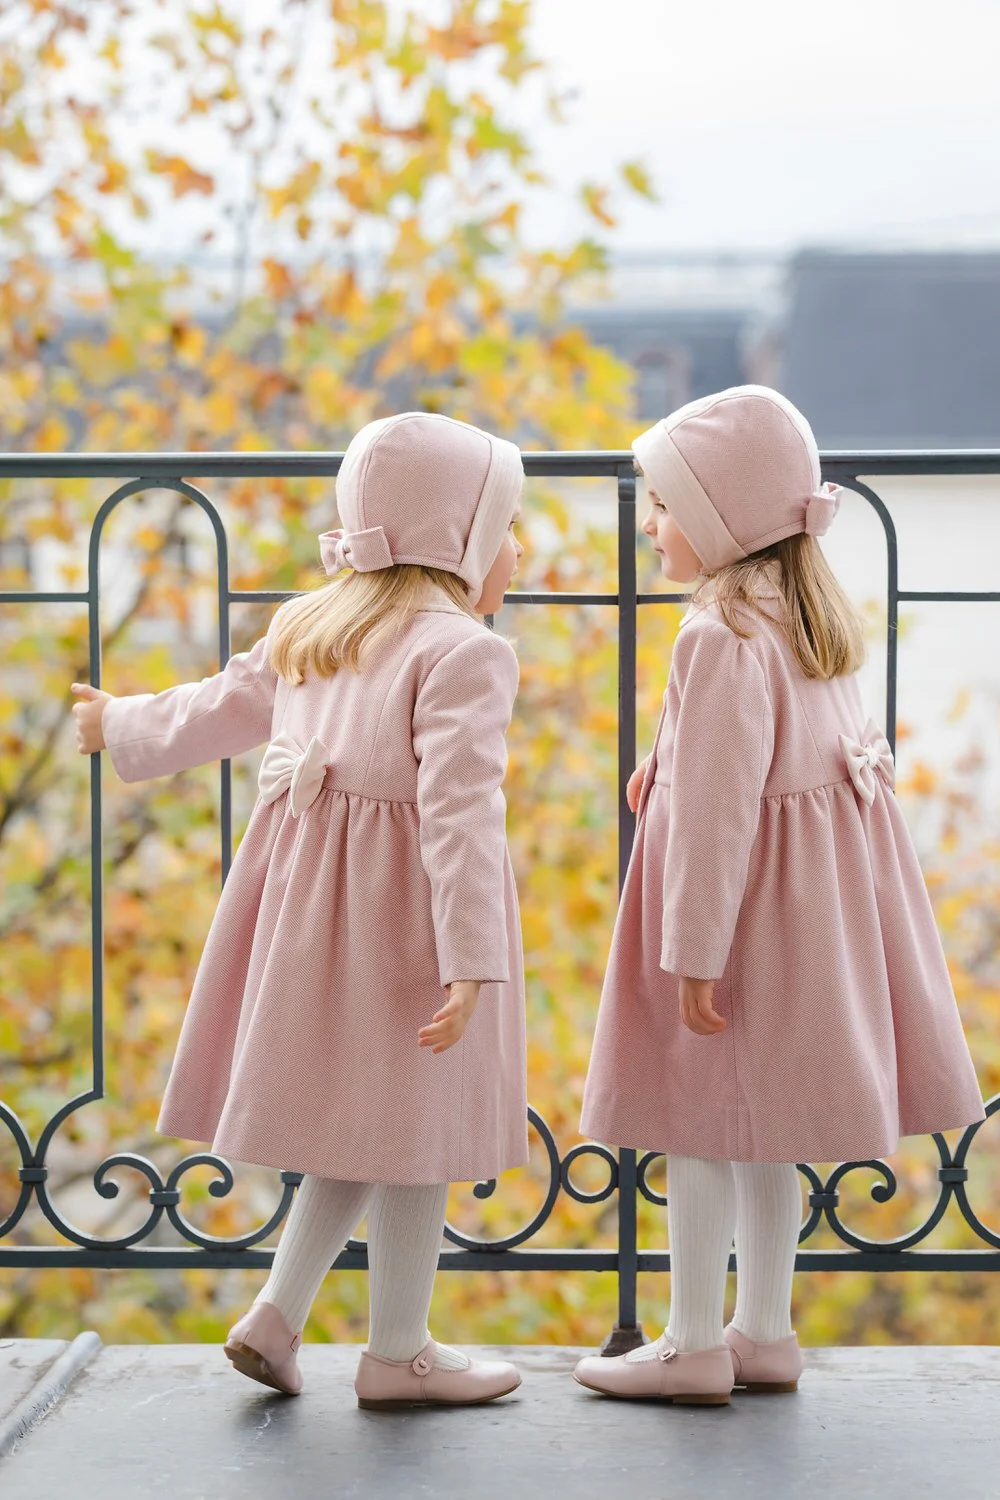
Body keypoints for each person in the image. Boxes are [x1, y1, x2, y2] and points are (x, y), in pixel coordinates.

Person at [71, 411, 528, 1410]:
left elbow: (218, 704)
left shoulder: (316, 626)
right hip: (410, 925)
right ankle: (399, 1352)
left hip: (311, 916)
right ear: (457, 538)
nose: (520, 552)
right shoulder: (467, 653)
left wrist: (120, 723)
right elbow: (460, 816)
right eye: (507, 527)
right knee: (416, 1130)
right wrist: (472, 958)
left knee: (367, 1122)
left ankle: (277, 1317)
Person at [574, 386, 985, 1406]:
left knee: (697, 1119)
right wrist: (665, 758)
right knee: (763, 1131)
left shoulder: (718, 635)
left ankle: (688, 1344)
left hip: (737, 916)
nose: (650, 526)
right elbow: (765, 756)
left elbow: (717, 816)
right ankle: (763, 1330)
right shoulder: (803, 620)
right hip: (809, 915)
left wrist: (692, 954)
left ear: (723, 516)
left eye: (664, 505)